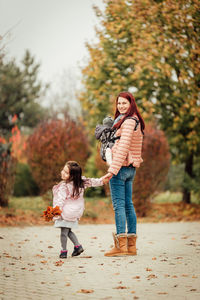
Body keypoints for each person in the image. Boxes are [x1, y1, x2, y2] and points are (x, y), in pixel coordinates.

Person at [103, 91, 145, 257]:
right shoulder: (136, 121)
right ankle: (131, 246)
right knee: (128, 205)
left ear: (131, 104)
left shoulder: (128, 122)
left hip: (120, 168)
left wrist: (112, 170)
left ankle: (121, 246)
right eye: (118, 103)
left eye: (124, 103)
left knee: (119, 206)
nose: (120, 106)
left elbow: (124, 147)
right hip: (131, 168)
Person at [52, 160, 109, 259]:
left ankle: (63, 251)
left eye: (66, 172)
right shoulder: (81, 182)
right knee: (68, 230)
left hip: (66, 211)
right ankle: (78, 246)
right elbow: (93, 182)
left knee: (63, 233)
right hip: (76, 211)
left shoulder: (64, 186)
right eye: (63, 170)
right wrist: (102, 180)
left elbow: (60, 201)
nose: (62, 172)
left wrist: (55, 212)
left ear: (72, 176)